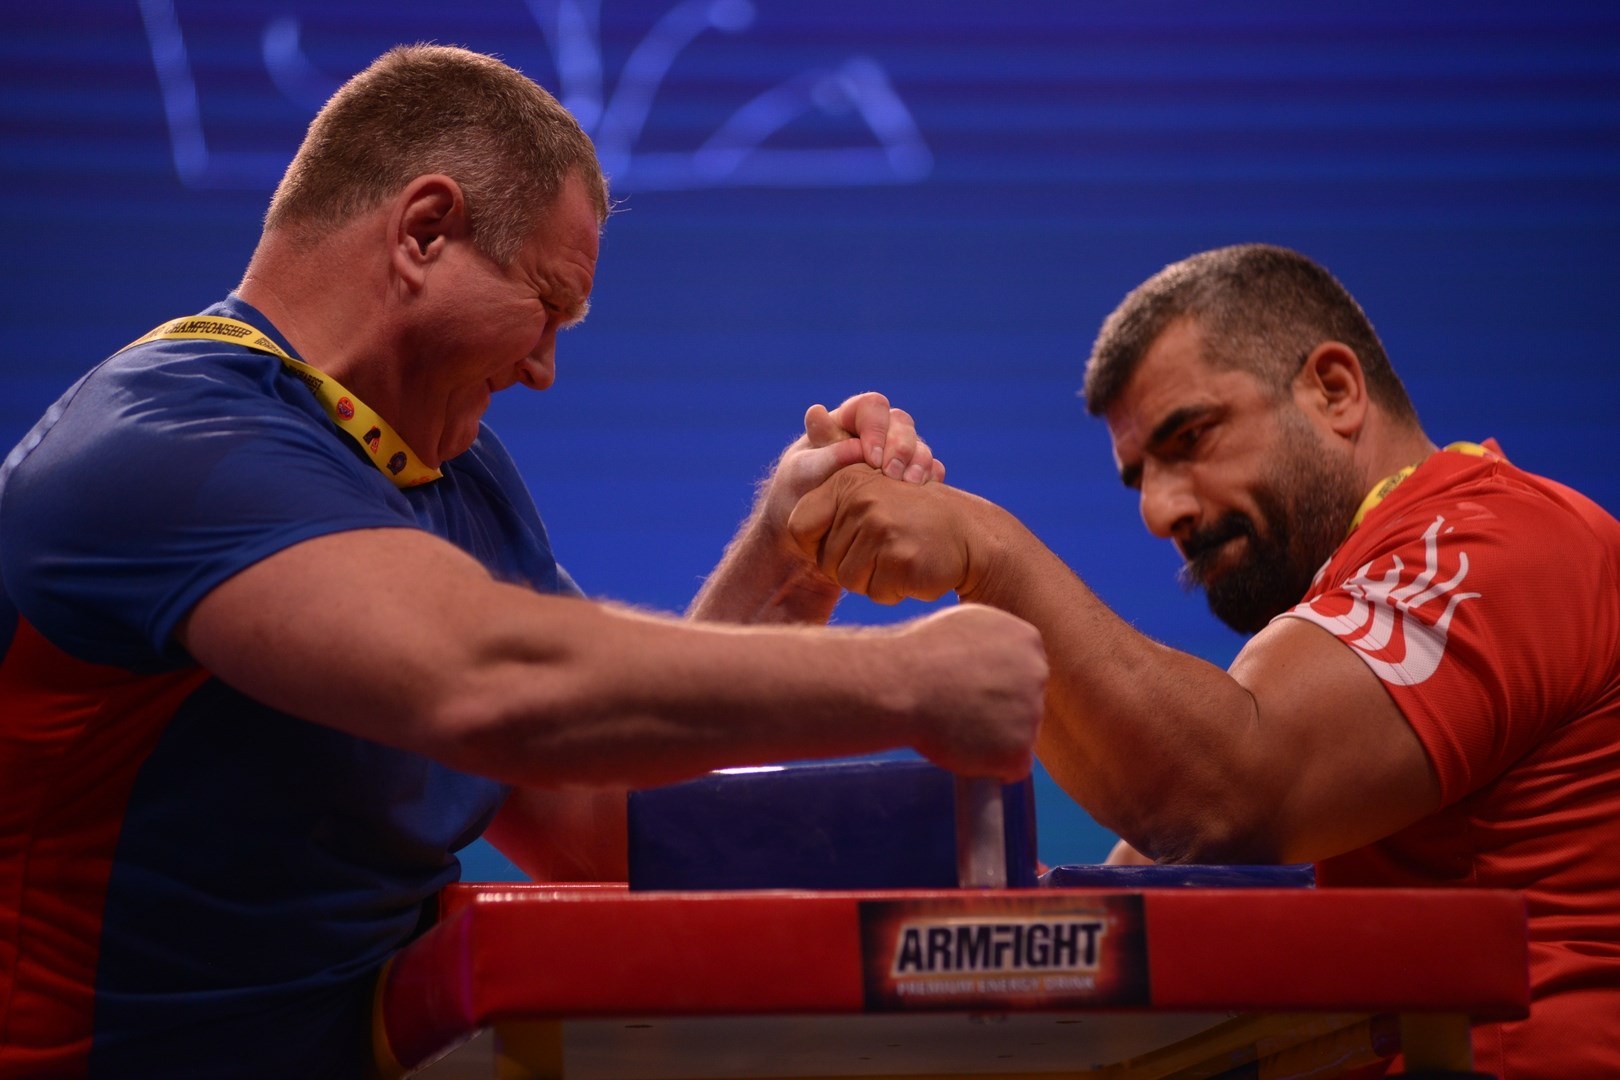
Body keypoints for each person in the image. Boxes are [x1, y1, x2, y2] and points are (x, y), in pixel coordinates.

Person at [0, 45, 1049, 1078]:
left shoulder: (447, 470)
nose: (545, 369)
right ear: (424, 232)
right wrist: (910, 679)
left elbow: (597, 816)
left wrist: (791, 560)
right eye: (547, 304)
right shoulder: (169, 441)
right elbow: (488, 680)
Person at [787, 243, 1620, 1077]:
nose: (1159, 511)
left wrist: (988, 552)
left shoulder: (1495, 542)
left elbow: (1221, 797)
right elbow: (1139, 877)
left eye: (1190, 438)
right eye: (1140, 477)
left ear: (1334, 390)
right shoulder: (1352, 606)